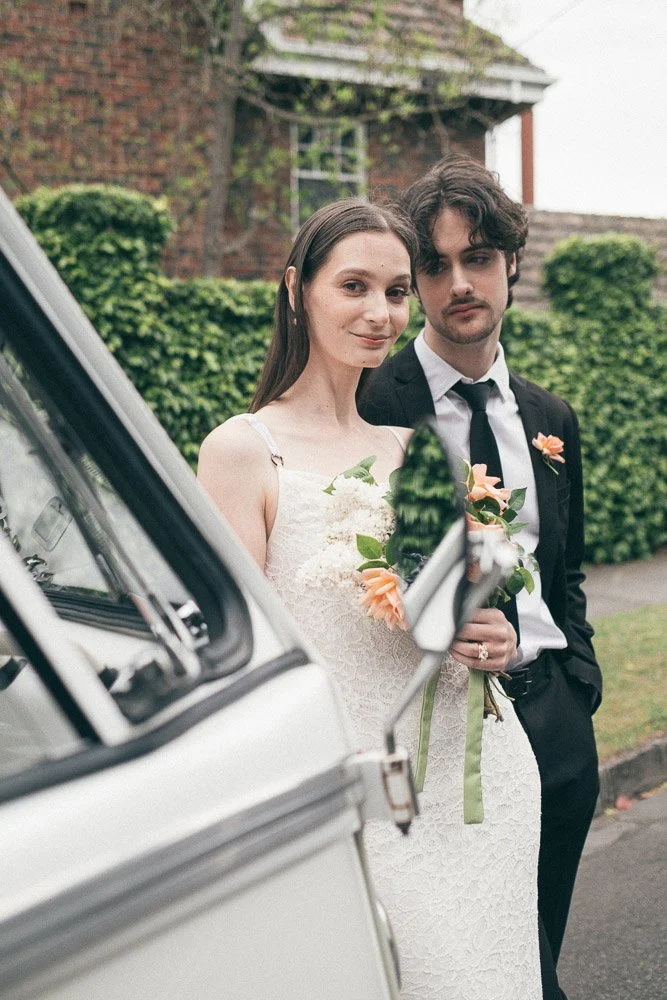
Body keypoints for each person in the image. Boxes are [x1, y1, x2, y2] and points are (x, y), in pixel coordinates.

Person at [198, 198, 543, 999]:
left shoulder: (412, 449)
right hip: (369, 796)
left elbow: (450, 600)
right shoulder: (245, 451)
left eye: (394, 291)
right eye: (353, 285)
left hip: (483, 782)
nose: (379, 312)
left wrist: (493, 635)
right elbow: (242, 656)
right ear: (296, 289)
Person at [358, 155, 602, 993]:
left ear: (509, 266)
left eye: (477, 258)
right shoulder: (373, 404)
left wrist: (580, 681)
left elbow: (563, 572)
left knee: (537, 965)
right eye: (434, 264)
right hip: (450, 745)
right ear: (415, 281)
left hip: (558, 727)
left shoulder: (549, 417)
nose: (458, 282)